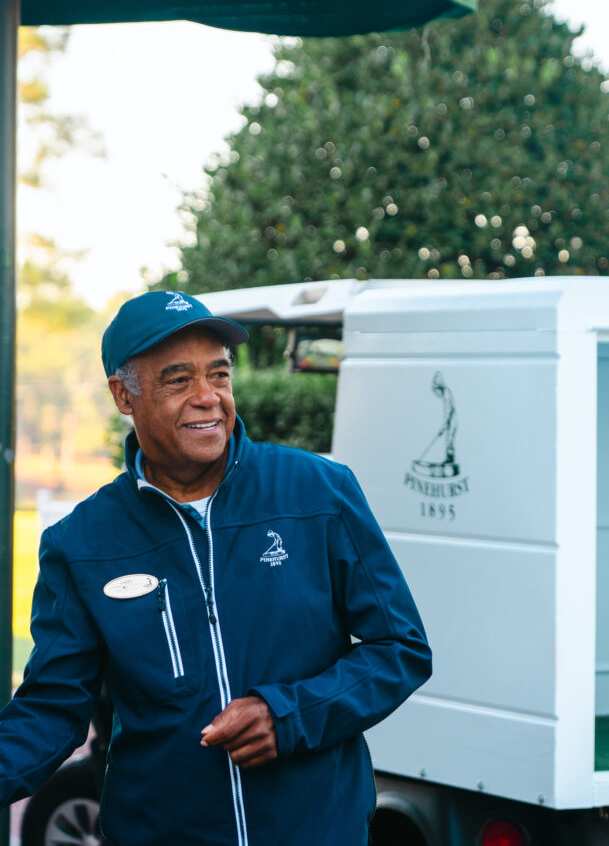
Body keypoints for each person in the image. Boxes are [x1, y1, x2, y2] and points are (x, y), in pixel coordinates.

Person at [0, 291, 431, 845]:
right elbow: (52, 710)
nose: (208, 398)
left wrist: (289, 716)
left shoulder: (320, 493)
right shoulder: (82, 542)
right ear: (123, 395)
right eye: (178, 380)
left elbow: (400, 648)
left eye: (219, 375)